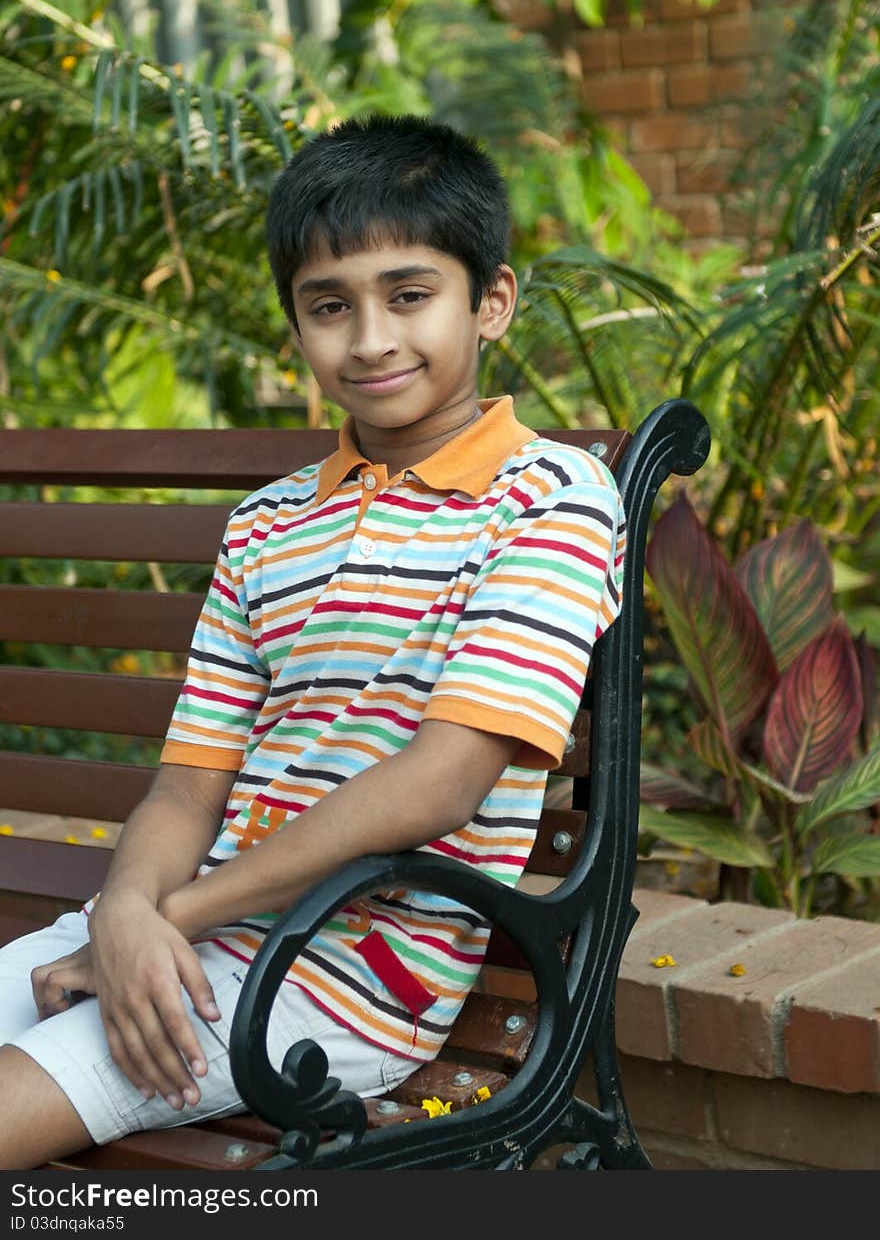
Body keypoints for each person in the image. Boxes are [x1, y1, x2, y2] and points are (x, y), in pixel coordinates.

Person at [0, 114, 626, 1168]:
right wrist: (124, 914)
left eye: (409, 295)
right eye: (330, 306)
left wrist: (167, 919)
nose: (371, 338)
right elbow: (189, 786)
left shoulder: (550, 497)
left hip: (344, 977)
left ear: (494, 303)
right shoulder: (269, 522)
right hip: (190, 931)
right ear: (297, 326)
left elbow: (439, 783)